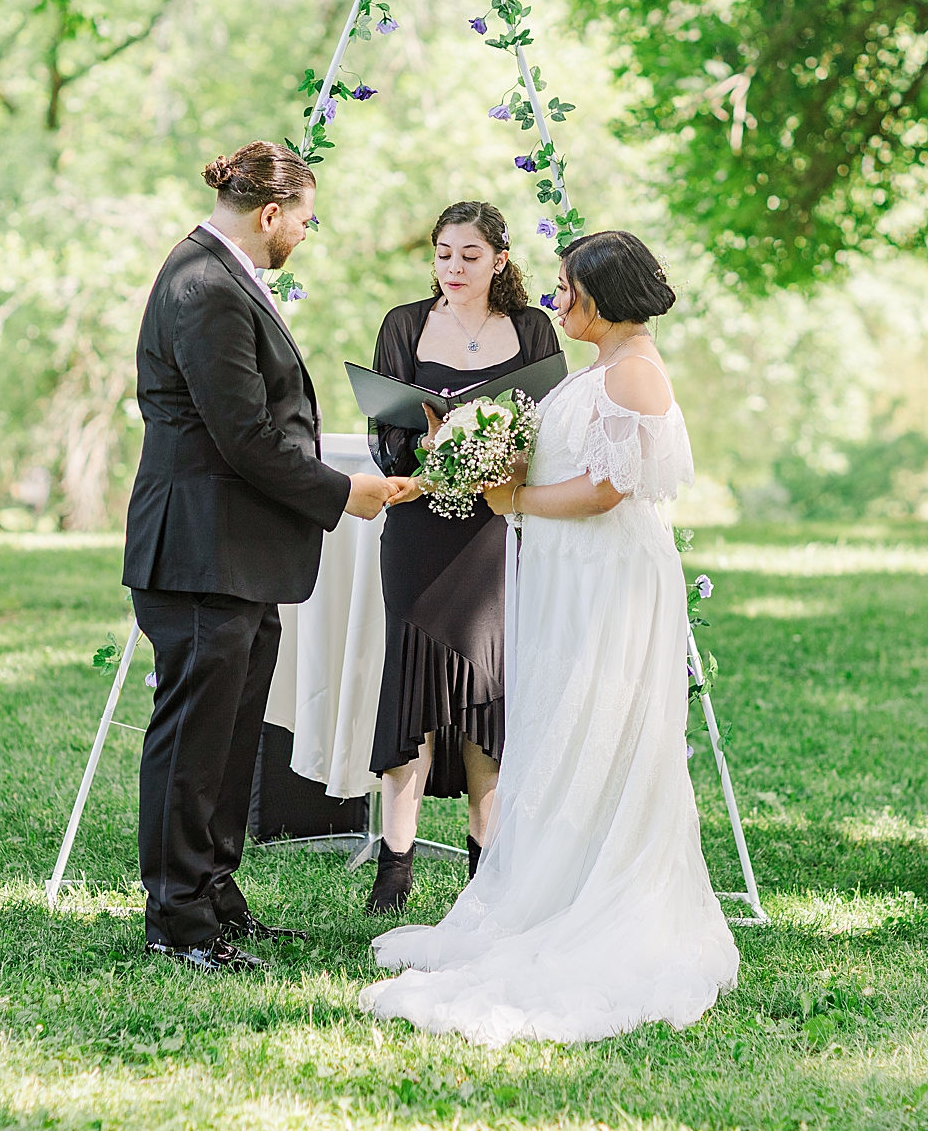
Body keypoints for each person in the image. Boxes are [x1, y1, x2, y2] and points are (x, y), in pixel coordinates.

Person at [361, 230, 738, 1045]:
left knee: (594, 724)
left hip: (608, 579)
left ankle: (589, 891)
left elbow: (606, 491)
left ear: (601, 297)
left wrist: (513, 502)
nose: (554, 300)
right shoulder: (608, 364)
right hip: (575, 571)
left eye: (566, 289)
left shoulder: (635, 371)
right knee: (560, 725)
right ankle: (546, 880)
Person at [123, 140, 401, 974]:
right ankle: (177, 919)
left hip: (237, 551)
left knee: (230, 737)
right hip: (200, 548)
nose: (305, 236)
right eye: (304, 222)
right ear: (270, 212)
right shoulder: (203, 284)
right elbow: (241, 435)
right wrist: (339, 491)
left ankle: (215, 898)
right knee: (193, 741)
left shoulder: (221, 274)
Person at [363, 201, 561, 913]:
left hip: (495, 530)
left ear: (501, 260)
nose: (453, 267)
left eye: (469, 255)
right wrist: (431, 442)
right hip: (418, 529)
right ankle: (395, 862)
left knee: (486, 688)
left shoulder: (532, 329)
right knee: (411, 680)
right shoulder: (404, 324)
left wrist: (498, 451)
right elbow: (383, 433)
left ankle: (488, 863)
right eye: (443, 253)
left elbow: (555, 427)